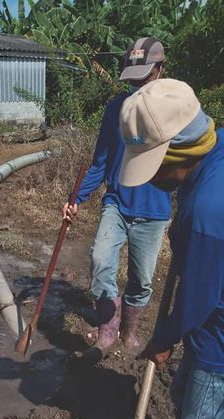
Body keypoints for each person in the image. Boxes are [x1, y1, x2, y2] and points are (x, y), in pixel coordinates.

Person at [119, 78, 223, 419]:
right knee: (188, 407)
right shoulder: (214, 160)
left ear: (177, 159)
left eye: (155, 168)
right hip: (209, 322)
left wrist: (161, 342)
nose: (153, 181)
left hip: (216, 340)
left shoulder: (205, 209)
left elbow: (196, 303)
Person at [64, 38, 170, 355]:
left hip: (154, 212)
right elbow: (100, 162)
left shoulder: (175, 113)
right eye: (133, 78)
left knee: (142, 280)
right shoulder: (116, 110)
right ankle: (108, 329)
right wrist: (75, 199)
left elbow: (191, 168)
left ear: (161, 70)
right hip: (117, 204)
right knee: (100, 262)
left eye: (145, 77)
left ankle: (130, 330)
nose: (138, 85)